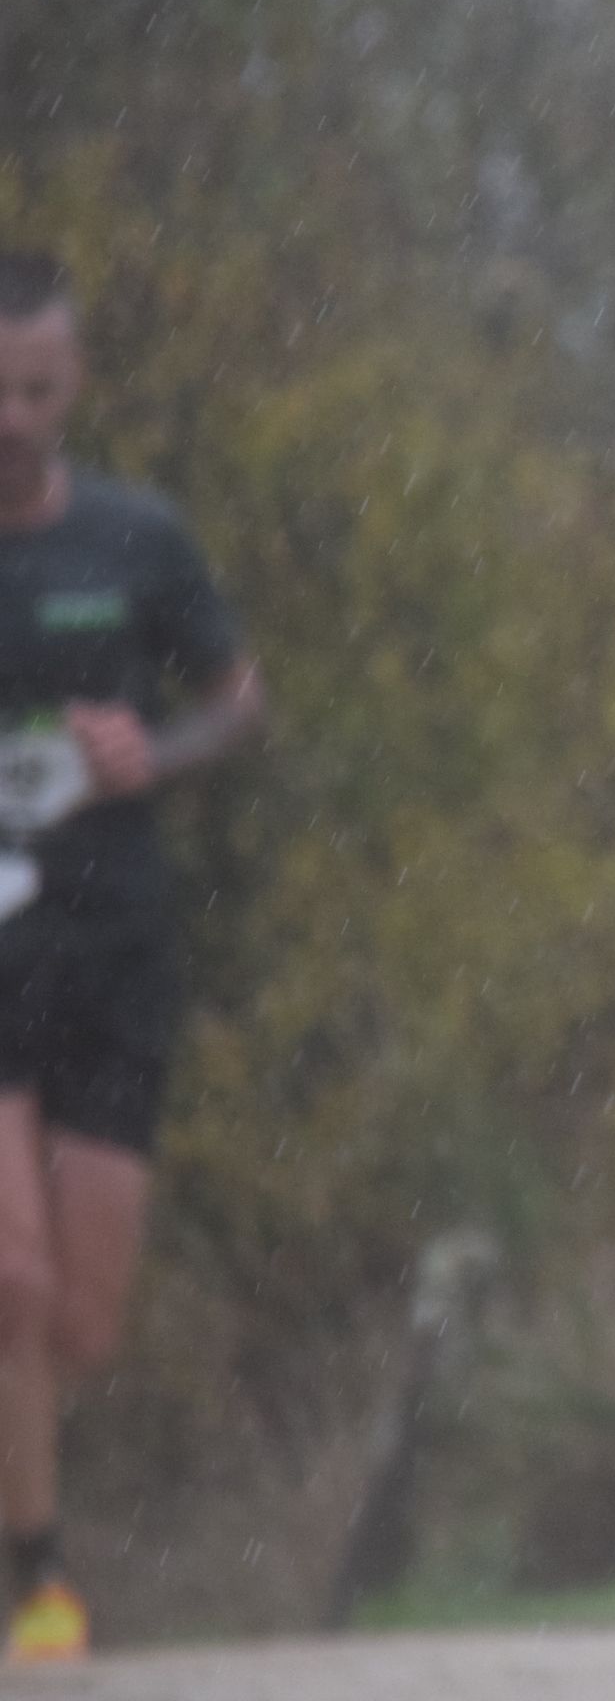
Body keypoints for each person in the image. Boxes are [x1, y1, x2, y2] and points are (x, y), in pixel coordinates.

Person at [0, 251, 266, 1662]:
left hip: (113, 945)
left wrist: (149, 752)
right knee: (13, 1281)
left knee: (81, 1318)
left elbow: (236, 700)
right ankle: (41, 1580)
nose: (12, 420)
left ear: (76, 384)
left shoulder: (136, 539)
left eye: (38, 392)